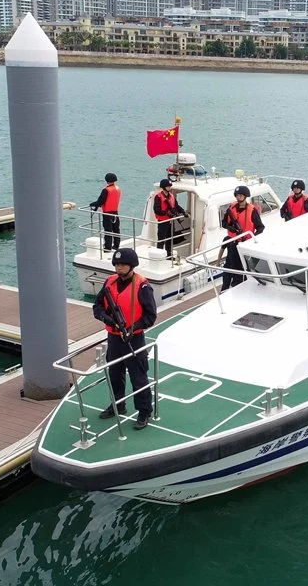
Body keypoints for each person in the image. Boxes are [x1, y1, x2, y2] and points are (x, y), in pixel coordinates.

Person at [92, 248, 157, 430]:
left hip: (133, 339)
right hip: (113, 338)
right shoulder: (109, 282)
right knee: (114, 374)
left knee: (139, 377)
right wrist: (108, 319)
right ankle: (118, 405)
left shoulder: (142, 286)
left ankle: (144, 412)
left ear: (131, 266)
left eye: (123, 265)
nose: (119, 268)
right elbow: (97, 307)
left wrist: (132, 328)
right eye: (117, 265)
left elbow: (150, 316)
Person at [221, 185, 265, 291]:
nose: (239, 197)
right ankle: (225, 288)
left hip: (245, 244)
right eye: (237, 195)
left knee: (241, 269)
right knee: (229, 267)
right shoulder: (231, 208)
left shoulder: (252, 210)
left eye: (241, 195)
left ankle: (237, 288)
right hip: (232, 243)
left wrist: (252, 239)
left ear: (245, 196)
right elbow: (224, 223)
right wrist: (230, 227)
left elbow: (260, 227)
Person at [153, 178, 187, 258]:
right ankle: (159, 256)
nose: (169, 188)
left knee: (170, 239)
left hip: (170, 221)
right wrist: (166, 213)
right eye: (168, 186)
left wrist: (183, 212)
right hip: (163, 222)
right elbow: (157, 210)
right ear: (164, 187)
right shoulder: (158, 197)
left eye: (170, 186)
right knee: (161, 240)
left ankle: (169, 255)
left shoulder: (171, 196)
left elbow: (176, 206)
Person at [89, 172, 121, 251]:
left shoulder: (106, 190)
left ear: (106, 180)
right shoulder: (118, 189)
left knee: (108, 231)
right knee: (116, 230)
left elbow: (100, 202)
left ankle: (107, 247)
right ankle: (116, 246)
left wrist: (92, 204)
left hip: (107, 213)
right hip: (115, 213)